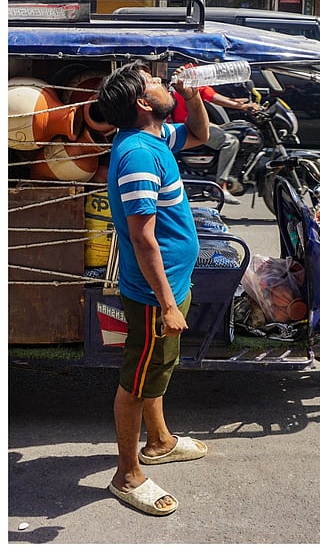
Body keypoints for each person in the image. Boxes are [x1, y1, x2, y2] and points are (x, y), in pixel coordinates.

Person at [96, 62, 211, 516]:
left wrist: (193, 95)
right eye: (156, 83)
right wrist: (166, 304)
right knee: (137, 380)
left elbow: (200, 134)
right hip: (152, 296)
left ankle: (160, 441)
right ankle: (127, 475)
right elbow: (142, 238)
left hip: (170, 285)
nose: (165, 83)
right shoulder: (138, 156)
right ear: (143, 103)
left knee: (157, 369)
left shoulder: (156, 136)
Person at [168, 66, 260, 205]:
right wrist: (241, 106)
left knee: (229, 129)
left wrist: (237, 102)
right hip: (190, 126)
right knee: (230, 142)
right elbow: (213, 97)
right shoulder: (192, 79)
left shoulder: (186, 77)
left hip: (186, 124)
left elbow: (213, 95)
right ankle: (220, 186)